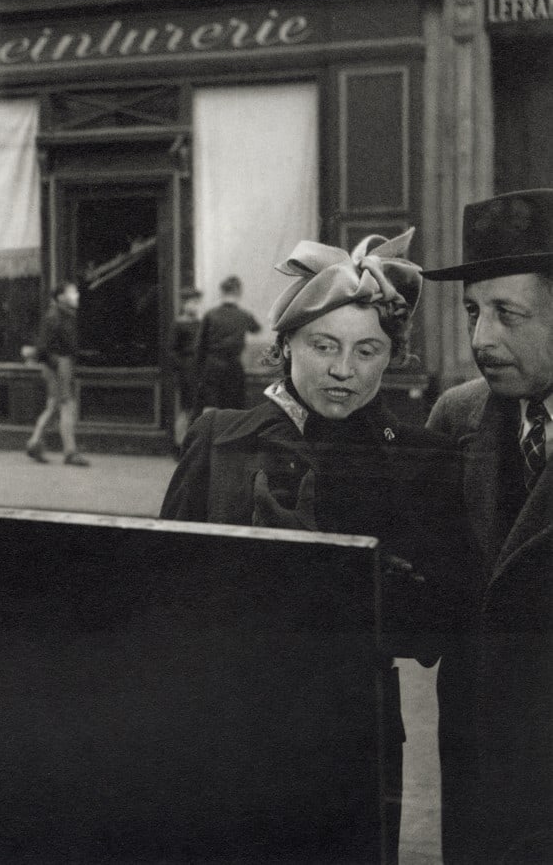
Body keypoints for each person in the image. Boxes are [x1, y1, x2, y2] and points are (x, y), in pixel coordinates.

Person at [162, 230, 473, 865]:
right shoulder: (219, 440)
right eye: (323, 346)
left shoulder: (418, 458)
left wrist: (360, 580)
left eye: (368, 351)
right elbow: (161, 596)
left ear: (393, 358)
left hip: (355, 727)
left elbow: (434, 632)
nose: (343, 370)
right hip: (225, 724)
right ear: (284, 346)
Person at [423, 188, 553, 864]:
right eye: (473, 312)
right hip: (479, 759)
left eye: (508, 314)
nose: (481, 340)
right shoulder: (456, 418)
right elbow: (427, 595)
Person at [26, 280, 89, 467]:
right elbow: (44, 347)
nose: (76, 296)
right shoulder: (55, 316)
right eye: (72, 293)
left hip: (59, 364)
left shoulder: (63, 315)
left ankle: (35, 443)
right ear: (61, 297)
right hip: (59, 364)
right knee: (67, 405)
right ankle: (70, 452)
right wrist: (58, 366)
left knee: (54, 405)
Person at [193, 275, 260, 412]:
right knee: (234, 408)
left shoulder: (210, 315)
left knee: (211, 408)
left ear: (221, 293)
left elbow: (200, 345)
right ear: (239, 293)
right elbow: (256, 329)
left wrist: (199, 370)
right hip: (234, 368)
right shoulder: (244, 315)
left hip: (213, 367)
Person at [170, 286, 204, 454]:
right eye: (192, 303)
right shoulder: (179, 324)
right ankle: (179, 444)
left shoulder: (200, 323)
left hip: (199, 370)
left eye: (197, 303)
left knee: (196, 407)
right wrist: (182, 368)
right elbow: (173, 350)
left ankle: (192, 445)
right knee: (186, 408)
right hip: (186, 370)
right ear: (184, 304)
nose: (195, 306)